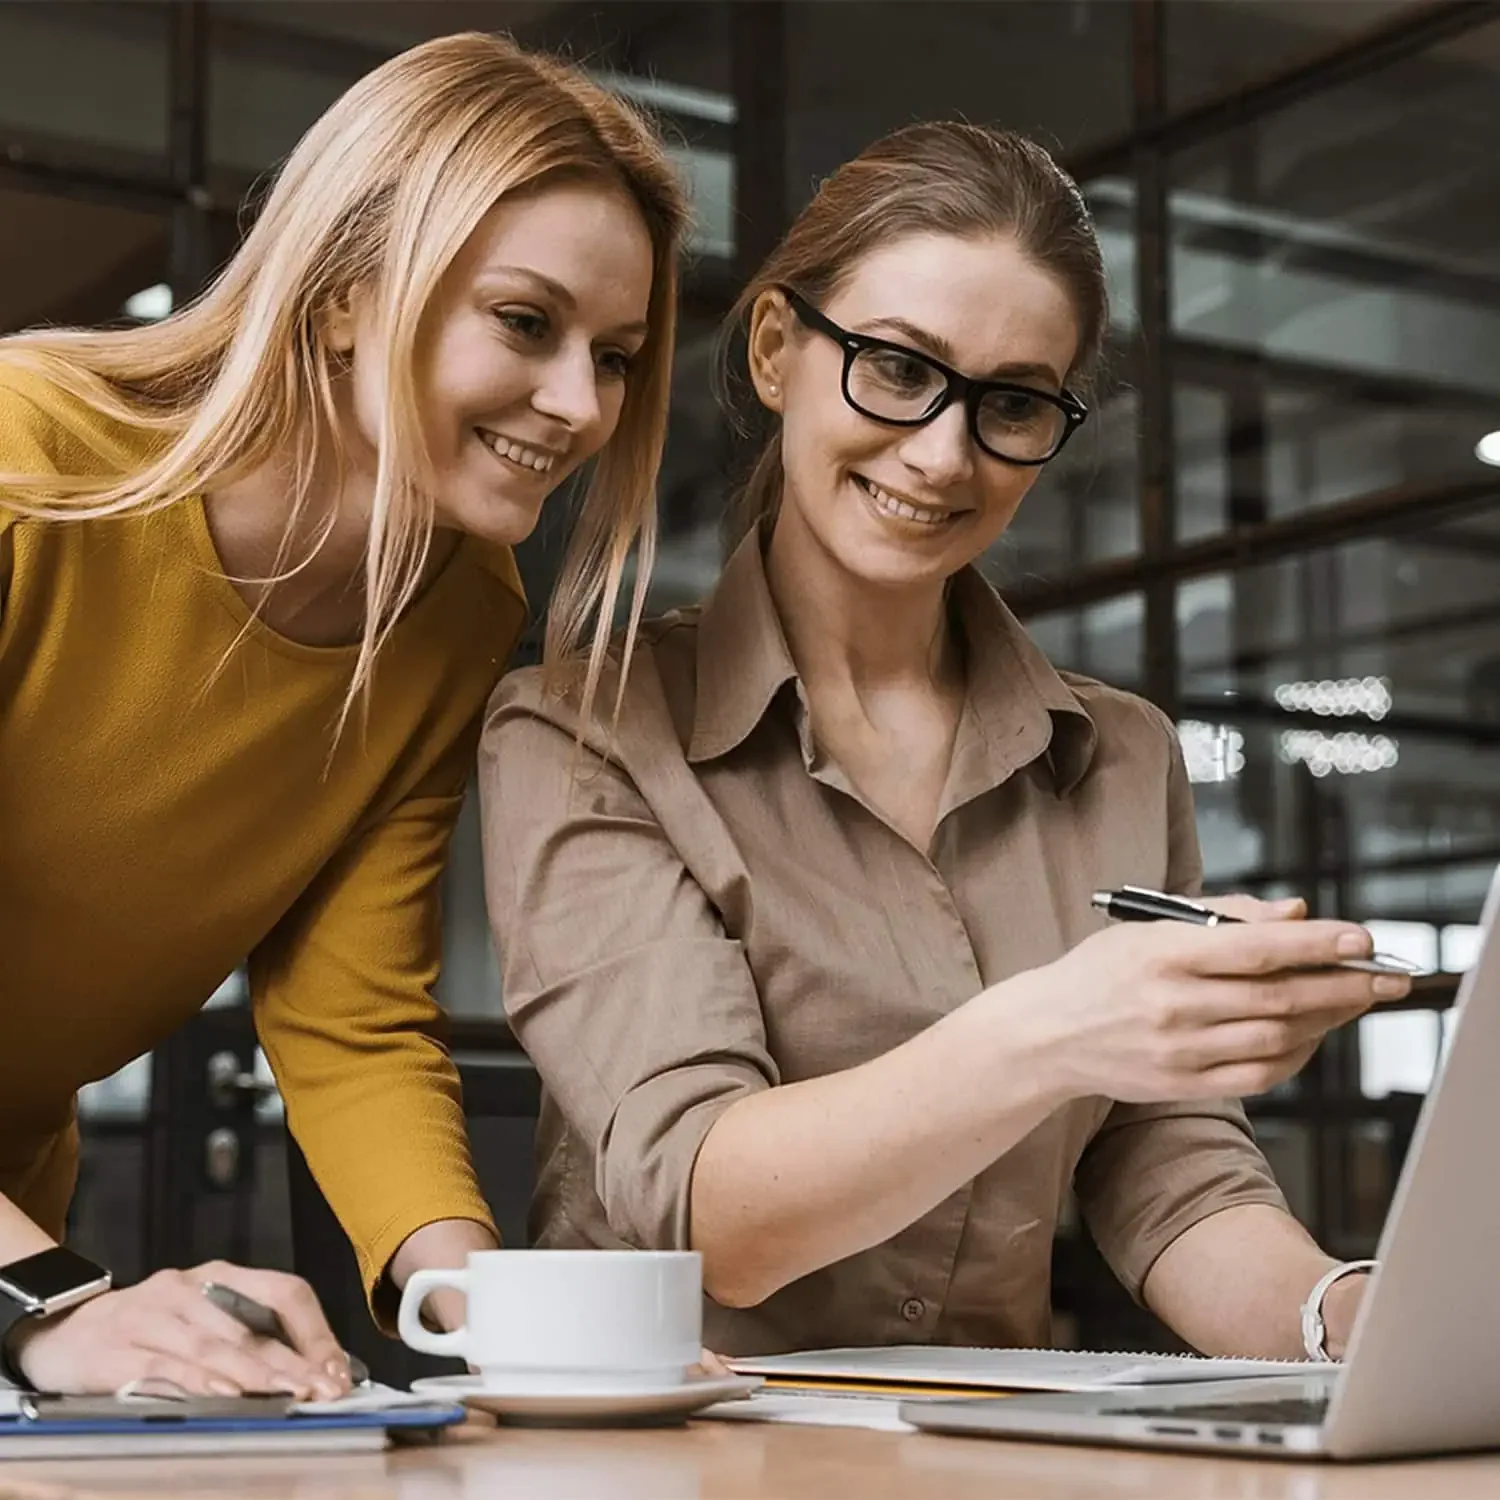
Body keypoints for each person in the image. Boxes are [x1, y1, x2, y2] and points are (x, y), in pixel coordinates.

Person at [479, 122, 1408, 1360]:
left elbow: (1170, 1172)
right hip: (670, 1455)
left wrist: (1354, 1324)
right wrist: (1060, 1027)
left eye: (1013, 403)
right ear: (774, 350)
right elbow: (710, 1208)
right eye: (898, 368)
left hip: (974, 1448)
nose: (941, 452)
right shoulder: (581, 728)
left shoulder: (1121, 756)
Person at [0, 31, 687, 1396]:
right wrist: (47, 1303)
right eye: (525, 322)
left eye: (615, 356)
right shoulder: (24, 462)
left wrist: (501, 1326)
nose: (579, 406)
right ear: (341, 299)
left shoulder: (459, 613)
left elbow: (352, 1018)